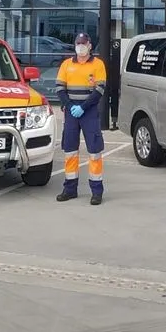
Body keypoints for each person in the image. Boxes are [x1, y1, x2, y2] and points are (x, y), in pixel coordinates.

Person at [54, 33, 107, 205]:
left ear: (90, 45)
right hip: (71, 111)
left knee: (94, 151)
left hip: (89, 111)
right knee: (70, 151)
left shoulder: (98, 64)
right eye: (78, 44)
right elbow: (59, 88)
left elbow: (99, 90)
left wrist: (82, 108)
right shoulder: (66, 65)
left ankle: (97, 192)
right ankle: (70, 189)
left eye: (83, 44)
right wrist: (70, 106)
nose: (80, 47)